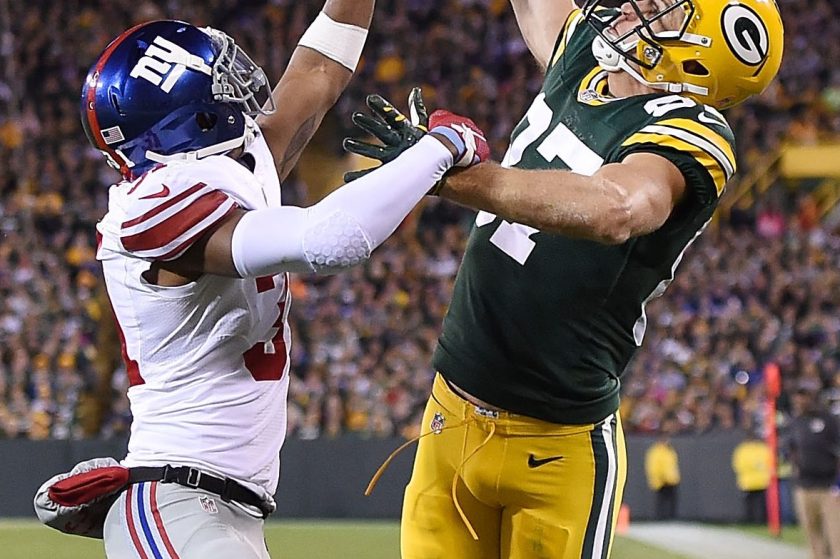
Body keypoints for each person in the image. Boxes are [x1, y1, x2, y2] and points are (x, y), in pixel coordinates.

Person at [33, 5, 490, 558]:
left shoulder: (229, 166)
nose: (238, 84)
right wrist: (439, 150)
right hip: (176, 500)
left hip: (218, 508)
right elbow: (330, 238)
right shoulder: (148, 208)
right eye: (215, 79)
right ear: (186, 115)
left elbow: (319, 74)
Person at [346, 0, 784, 556]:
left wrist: (453, 179)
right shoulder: (585, 54)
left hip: (557, 446)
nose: (642, 3)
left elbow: (617, 208)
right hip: (448, 421)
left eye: (671, 10)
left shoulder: (694, 133)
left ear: (701, 60)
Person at [785, 388, 840, 559]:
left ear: (811, 398)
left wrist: (838, 484)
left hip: (829, 487)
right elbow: (790, 448)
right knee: (812, 536)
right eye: (797, 398)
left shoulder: (829, 421)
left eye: (803, 397)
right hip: (804, 487)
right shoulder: (795, 422)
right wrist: (795, 465)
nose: (799, 402)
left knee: (836, 535)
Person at [732, 431, 772, 524]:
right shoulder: (743, 449)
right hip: (751, 481)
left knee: (759, 504)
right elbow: (739, 464)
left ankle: (759, 521)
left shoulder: (760, 448)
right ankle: (752, 521)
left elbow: (768, 462)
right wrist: (756, 466)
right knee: (751, 504)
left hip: (758, 481)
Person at [645, 421, 680, 521]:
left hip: (671, 479)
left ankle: (672, 518)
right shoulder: (655, 451)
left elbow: (673, 465)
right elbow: (653, 466)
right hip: (661, 481)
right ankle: (661, 518)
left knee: (672, 500)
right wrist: (659, 477)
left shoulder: (669, 450)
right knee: (661, 501)